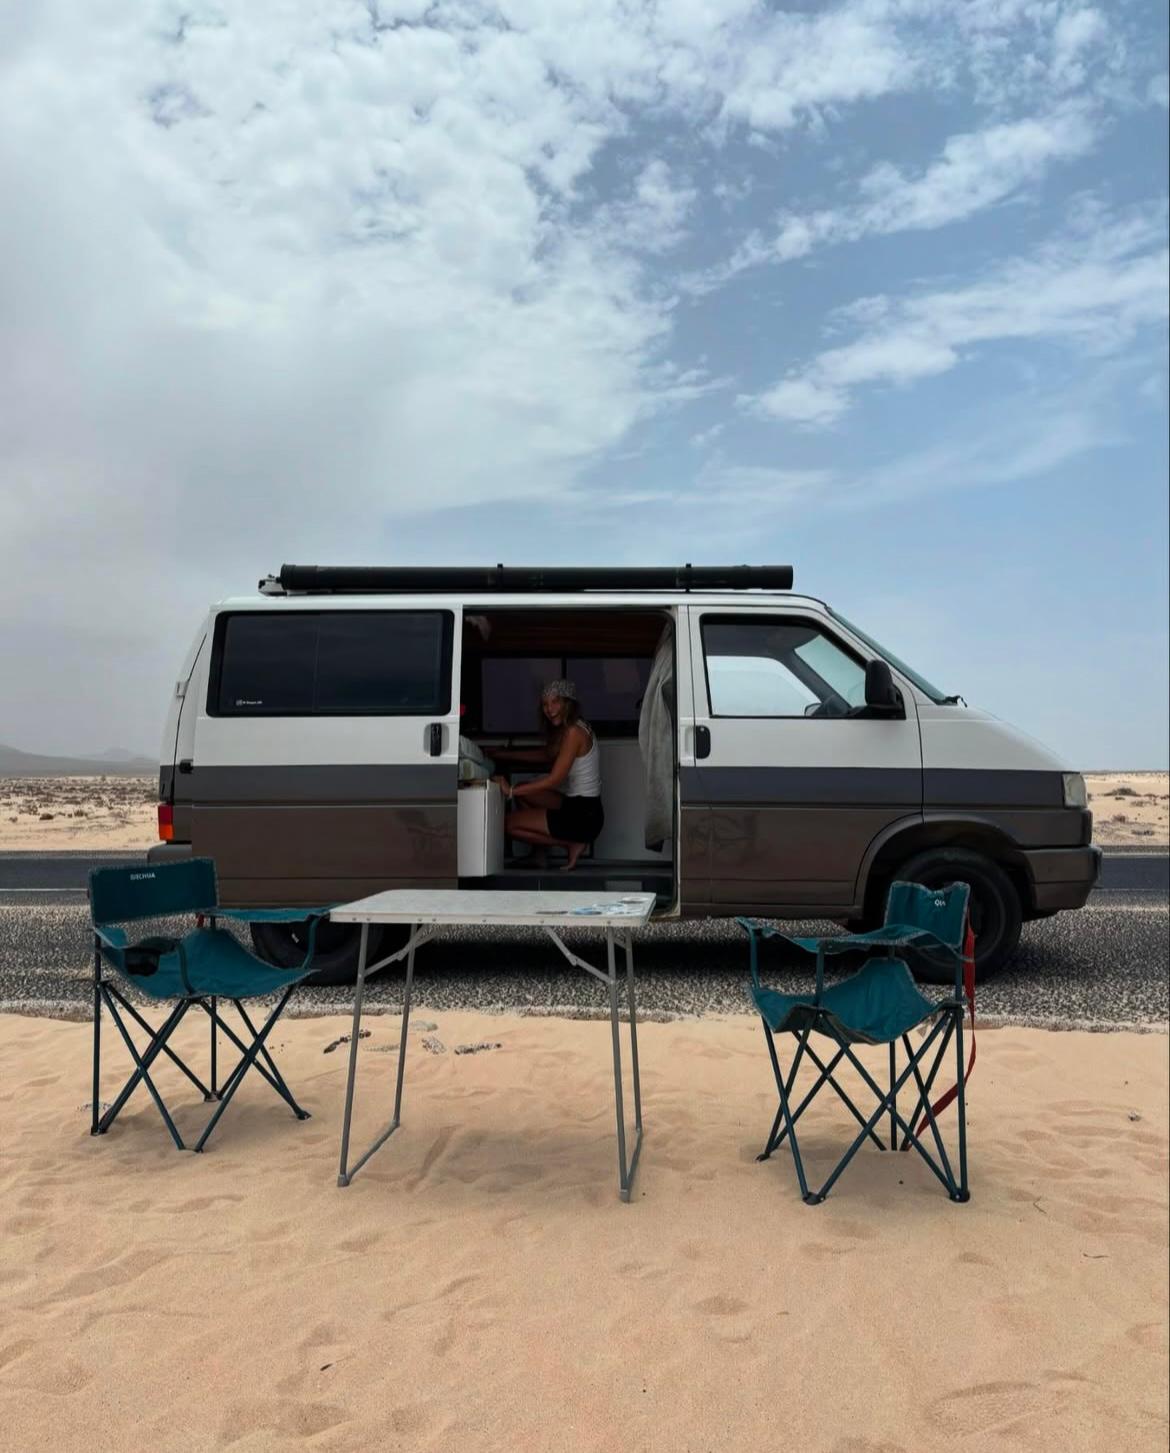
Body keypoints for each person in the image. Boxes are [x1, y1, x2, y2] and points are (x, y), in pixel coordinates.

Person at [491, 679, 603, 871]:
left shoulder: (574, 732)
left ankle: (570, 843)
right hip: (579, 806)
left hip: (583, 815)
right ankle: (539, 854)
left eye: (555, 702)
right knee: (526, 791)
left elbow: (554, 779)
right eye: (545, 704)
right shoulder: (574, 726)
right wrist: (502, 754)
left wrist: (510, 791)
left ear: (568, 703)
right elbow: (546, 755)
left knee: (508, 825)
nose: (549, 709)